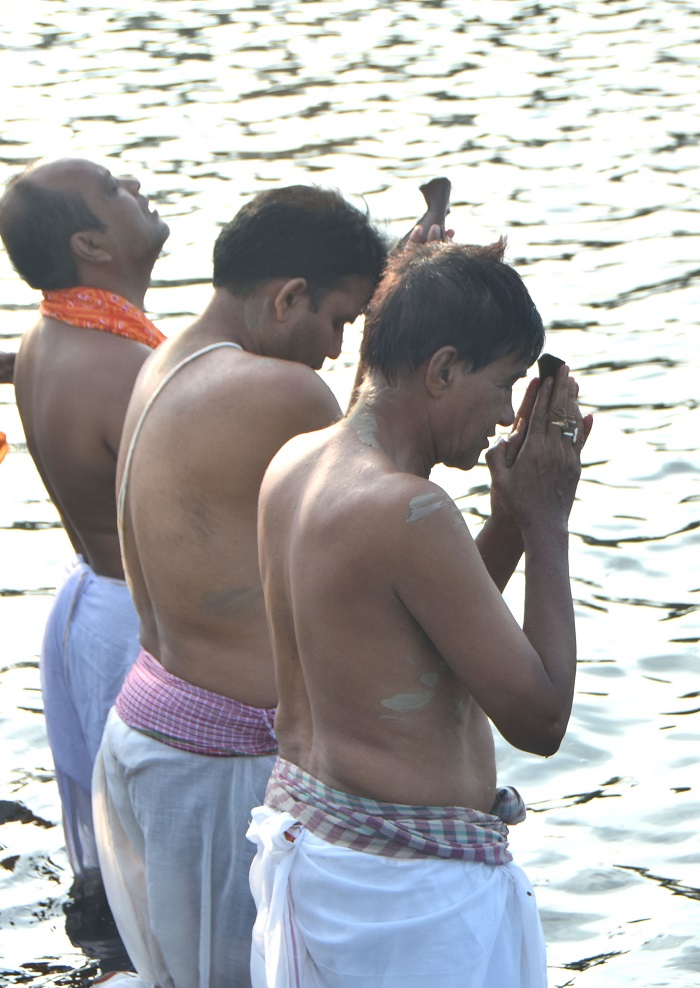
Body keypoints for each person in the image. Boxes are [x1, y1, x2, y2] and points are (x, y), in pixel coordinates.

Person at [249, 239, 593, 988]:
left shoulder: (297, 462)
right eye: (501, 386)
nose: (506, 417)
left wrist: (504, 521)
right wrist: (544, 521)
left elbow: (427, 627)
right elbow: (540, 721)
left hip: (325, 857)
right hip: (409, 907)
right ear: (441, 370)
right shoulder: (411, 509)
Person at [91, 185, 389, 988]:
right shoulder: (281, 391)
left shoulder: (168, 357)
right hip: (212, 763)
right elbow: (387, 466)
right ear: (288, 297)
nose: (334, 349)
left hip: (147, 731)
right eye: (339, 321)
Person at [0, 158, 169, 891]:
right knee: (158, 876)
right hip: (134, 620)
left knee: (117, 872)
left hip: (89, 607)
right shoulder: (121, 366)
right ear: (91, 248)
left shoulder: (52, 338)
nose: (134, 185)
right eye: (112, 189)